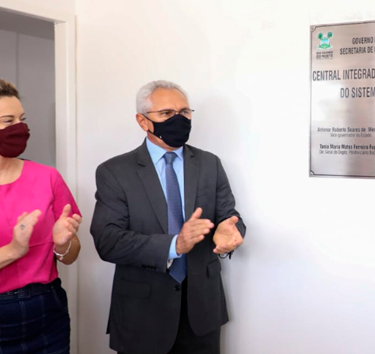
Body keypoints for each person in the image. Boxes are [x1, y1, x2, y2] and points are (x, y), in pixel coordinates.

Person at [91, 80, 246, 354]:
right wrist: (175, 245)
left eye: (185, 112)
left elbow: (229, 216)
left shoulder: (210, 163)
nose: (179, 119)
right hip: (141, 315)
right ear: (142, 121)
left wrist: (229, 230)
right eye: (166, 114)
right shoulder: (114, 171)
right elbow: (108, 241)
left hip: (203, 312)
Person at [0, 78, 82, 353]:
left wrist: (62, 245)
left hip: (48, 309)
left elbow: (71, 254)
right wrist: (13, 250)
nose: (19, 128)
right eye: (7, 120)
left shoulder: (47, 176)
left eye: (21, 119)